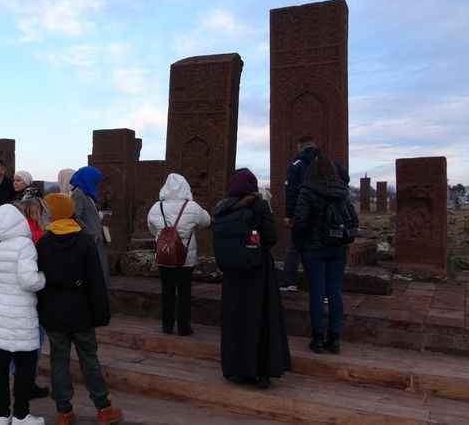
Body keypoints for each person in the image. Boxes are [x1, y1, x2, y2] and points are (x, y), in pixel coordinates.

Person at [36, 194, 123, 425]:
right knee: (89, 360)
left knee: (58, 361)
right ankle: (103, 408)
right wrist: (101, 313)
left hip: (54, 313)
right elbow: (96, 281)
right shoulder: (84, 241)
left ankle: (64, 412)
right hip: (81, 311)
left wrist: (42, 310)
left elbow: (39, 282)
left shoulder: (43, 243)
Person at [212, 168, 290, 389]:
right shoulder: (259, 205)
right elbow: (271, 237)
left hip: (231, 274)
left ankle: (235, 369)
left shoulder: (221, 208)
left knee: (234, 319)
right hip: (258, 272)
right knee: (259, 318)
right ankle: (260, 370)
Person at [0, 204, 46, 425]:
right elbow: (29, 281)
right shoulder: (24, 245)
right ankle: (22, 416)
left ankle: (2, 417)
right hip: (19, 315)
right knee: (25, 365)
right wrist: (43, 278)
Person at [292, 151, 358, 355]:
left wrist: (300, 241)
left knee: (317, 293)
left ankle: (318, 339)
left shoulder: (306, 191)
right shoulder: (343, 191)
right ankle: (335, 339)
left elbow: (300, 222)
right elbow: (354, 221)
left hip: (313, 250)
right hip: (338, 248)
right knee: (335, 292)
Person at [147, 174, 211, 336]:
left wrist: (165, 235)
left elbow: (152, 228)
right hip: (185, 257)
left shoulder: (156, 207)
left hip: (165, 255)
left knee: (167, 291)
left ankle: (167, 326)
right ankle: (184, 327)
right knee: (184, 292)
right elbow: (206, 221)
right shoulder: (193, 207)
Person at [283, 137, 350, 291]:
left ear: (300, 148)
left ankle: (290, 281)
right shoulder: (331, 163)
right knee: (326, 247)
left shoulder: (297, 165)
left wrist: (289, 214)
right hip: (331, 214)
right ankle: (326, 290)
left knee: (295, 246)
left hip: (305, 210)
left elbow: (291, 191)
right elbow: (345, 179)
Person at [13, 199, 50, 400]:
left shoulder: (11, 234)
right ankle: (27, 382)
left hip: (12, 294)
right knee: (35, 337)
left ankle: (16, 375)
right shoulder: (39, 235)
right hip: (33, 292)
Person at [69, 167, 110, 286]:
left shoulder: (86, 194)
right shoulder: (79, 194)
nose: (97, 184)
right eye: (95, 181)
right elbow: (75, 216)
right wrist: (90, 234)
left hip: (95, 239)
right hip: (91, 240)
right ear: (88, 179)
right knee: (96, 273)